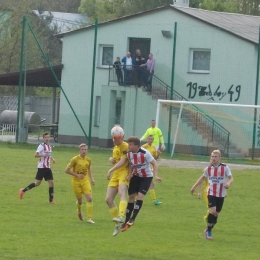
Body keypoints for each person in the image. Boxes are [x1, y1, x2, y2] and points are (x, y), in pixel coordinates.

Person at [121, 136, 162, 232]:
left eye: (130, 144)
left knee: (140, 196)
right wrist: (129, 174)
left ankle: (133, 219)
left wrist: (155, 176)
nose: (128, 146)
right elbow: (131, 164)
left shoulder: (145, 153)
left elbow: (155, 163)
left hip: (146, 177)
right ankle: (126, 220)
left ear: (136, 145)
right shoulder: (129, 153)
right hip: (136, 176)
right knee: (131, 197)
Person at [190, 150, 233, 240]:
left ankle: (208, 229)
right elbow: (202, 179)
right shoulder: (208, 169)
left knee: (216, 214)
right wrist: (194, 187)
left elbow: (231, 178)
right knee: (212, 211)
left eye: (215, 157)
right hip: (211, 193)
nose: (213, 158)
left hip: (221, 194)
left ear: (219, 158)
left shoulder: (225, 168)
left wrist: (228, 183)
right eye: (212, 156)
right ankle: (209, 232)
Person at [19, 132, 56, 204]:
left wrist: (52, 159)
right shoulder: (41, 146)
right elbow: (35, 155)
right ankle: (23, 191)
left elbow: (48, 154)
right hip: (42, 168)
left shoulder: (49, 146)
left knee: (51, 183)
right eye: (45, 137)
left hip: (48, 168)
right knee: (37, 183)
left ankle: (51, 201)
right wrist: (42, 155)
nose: (47, 139)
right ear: (43, 138)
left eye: (48, 137)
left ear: (49, 138)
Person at [65, 143, 95, 224]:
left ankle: (89, 218)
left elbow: (89, 168)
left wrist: (91, 179)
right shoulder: (75, 159)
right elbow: (66, 170)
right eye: (82, 149)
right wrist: (77, 175)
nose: (84, 151)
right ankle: (79, 210)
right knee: (80, 201)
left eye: (85, 149)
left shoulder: (88, 160)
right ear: (79, 150)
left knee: (89, 198)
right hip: (76, 182)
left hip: (85, 181)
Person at [106, 132, 129, 236]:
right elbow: (116, 160)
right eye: (113, 139)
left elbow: (123, 161)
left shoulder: (125, 146)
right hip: (116, 173)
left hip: (124, 172)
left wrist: (110, 170)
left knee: (121, 192)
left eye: (117, 139)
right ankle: (117, 223)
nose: (115, 141)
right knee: (108, 199)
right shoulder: (115, 147)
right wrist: (111, 160)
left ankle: (121, 215)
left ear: (122, 137)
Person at [142, 135, 162, 205]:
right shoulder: (144, 147)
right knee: (151, 184)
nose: (150, 140)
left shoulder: (153, 147)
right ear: (147, 139)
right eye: (149, 139)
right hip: (144, 168)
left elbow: (154, 159)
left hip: (150, 168)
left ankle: (136, 198)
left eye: (152, 139)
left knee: (149, 184)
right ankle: (154, 201)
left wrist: (158, 154)